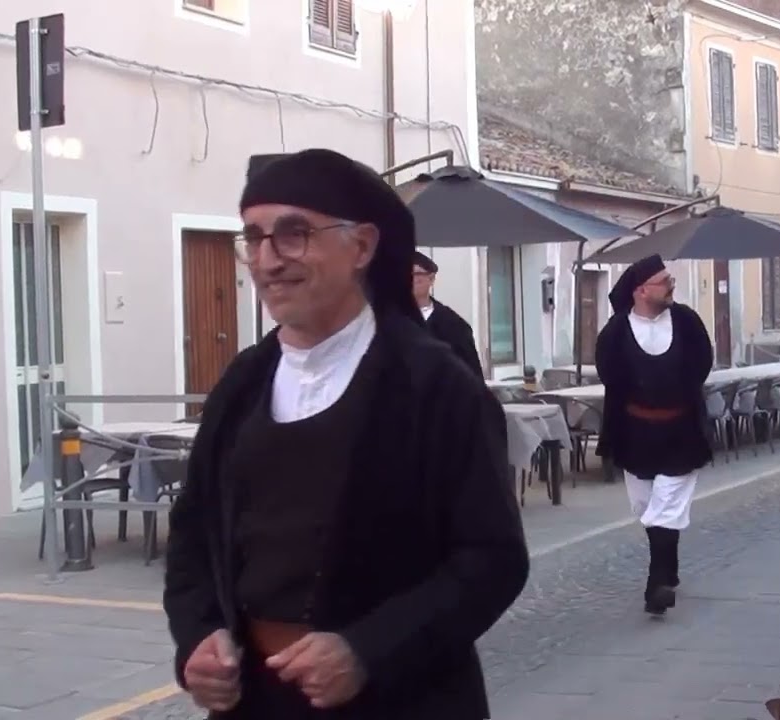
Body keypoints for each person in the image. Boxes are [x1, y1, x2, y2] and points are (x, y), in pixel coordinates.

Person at [163, 149, 529, 719]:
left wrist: (369, 650)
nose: (267, 260)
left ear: (361, 246)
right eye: (253, 238)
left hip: (403, 702)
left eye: (293, 234)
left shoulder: (434, 385)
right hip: (254, 703)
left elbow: (492, 558)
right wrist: (197, 638)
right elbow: (193, 534)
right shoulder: (242, 384)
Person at [594, 254, 713, 617]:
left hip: (680, 430)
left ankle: (657, 583)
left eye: (670, 280)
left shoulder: (686, 322)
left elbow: (702, 362)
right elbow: (609, 374)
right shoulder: (616, 332)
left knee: (668, 502)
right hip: (635, 433)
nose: (671, 286)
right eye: (664, 281)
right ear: (641, 290)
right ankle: (668, 567)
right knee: (647, 507)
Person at [412, 250, 482, 376]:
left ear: (431, 278)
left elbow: (471, 374)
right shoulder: (389, 321)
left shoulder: (453, 325)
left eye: (416, 274)